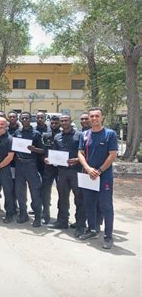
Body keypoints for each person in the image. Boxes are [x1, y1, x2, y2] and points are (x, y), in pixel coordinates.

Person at [78, 107, 118, 249]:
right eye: (92, 116)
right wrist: (88, 169)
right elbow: (80, 153)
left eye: (97, 116)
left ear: (102, 117)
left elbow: (112, 155)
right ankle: (92, 230)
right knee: (89, 204)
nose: (94, 118)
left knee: (106, 206)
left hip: (104, 176)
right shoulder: (85, 134)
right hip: (88, 175)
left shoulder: (110, 134)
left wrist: (99, 170)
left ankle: (108, 236)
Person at [48, 115, 85, 237]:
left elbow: (85, 153)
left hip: (76, 171)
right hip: (62, 171)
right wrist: (50, 159)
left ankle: (80, 225)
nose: (64, 122)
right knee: (62, 198)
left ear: (71, 121)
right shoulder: (58, 136)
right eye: (62, 121)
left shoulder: (79, 135)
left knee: (79, 199)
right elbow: (54, 153)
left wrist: (78, 160)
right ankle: (62, 221)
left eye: (66, 120)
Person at [13, 112, 44, 227]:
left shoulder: (36, 134)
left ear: (30, 119)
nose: (25, 119)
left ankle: (37, 217)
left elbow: (43, 150)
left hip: (31, 165)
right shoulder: (17, 133)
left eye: (27, 118)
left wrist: (34, 149)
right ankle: (23, 214)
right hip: (20, 165)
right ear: (20, 120)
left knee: (35, 192)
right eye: (23, 118)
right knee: (20, 192)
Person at [40, 115, 61, 224]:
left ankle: (62, 218)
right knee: (45, 191)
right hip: (48, 167)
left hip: (61, 168)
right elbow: (43, 150)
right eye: (52, 123)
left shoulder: (63, 135)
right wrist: (44, 158)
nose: (54, 125)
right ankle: (45, 215)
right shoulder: (45, 135)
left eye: (56, 123)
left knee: (62, 192)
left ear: (60, 124)